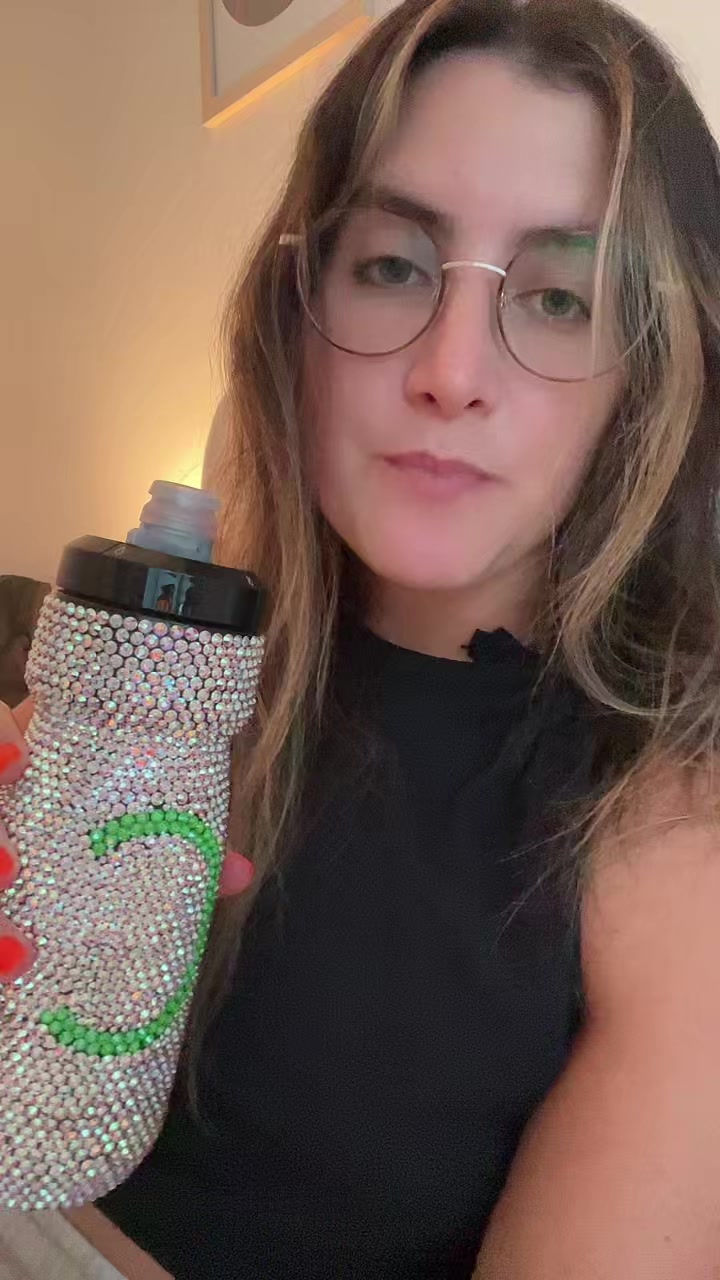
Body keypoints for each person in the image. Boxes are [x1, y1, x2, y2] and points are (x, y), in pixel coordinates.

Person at [2, 0, 720, 1274]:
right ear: (299, 307)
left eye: (560, 296)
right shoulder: (175, 684)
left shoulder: (671, 838)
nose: (452, 368)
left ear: (652, 374)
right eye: (392, 265)